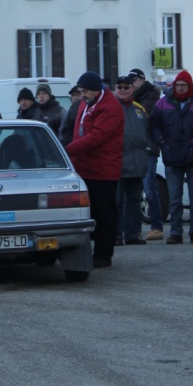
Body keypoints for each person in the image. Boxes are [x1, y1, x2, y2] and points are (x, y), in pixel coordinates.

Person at [64, 72, 124, 268]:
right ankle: (87, 250)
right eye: (81, 91)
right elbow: (77, 131)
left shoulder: (110, 107)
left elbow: (96, 138)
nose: (83, 95)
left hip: (103, 169)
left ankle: (104, 253)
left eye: (86, 91)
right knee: (88, 213)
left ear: (97, 89)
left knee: (105, 212)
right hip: (84, 167)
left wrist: (67, 151)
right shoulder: (86, 103)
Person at [151, 70, 193, 244]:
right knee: (174, 199)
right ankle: (175, 233)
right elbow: (153, 124)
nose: (180, 88)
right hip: (172, 157)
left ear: (190, 86)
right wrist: (162, 142)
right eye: (178, 85)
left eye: (183, 85)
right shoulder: (163, 102)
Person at [113, 76, 152, 245]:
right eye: (119, 87)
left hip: (137, 163)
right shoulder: (112, 108)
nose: (122, 90)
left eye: (126, 87)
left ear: (132, 88)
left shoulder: (140, 109)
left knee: (135, 201)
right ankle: (116, 235)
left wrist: (149, 151)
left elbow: (149, 133)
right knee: (117, 201)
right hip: (118, 163)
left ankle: (133, 234)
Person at [129, 68, 164, 240]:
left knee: (149, 188)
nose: (131, 85)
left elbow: (144, 117)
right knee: (134, 190)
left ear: (141, 80)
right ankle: (133, 228)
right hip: (134, 149)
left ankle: (157, 225)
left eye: (133, 81)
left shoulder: (150, 97)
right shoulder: (133, 99)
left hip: (148, 148)